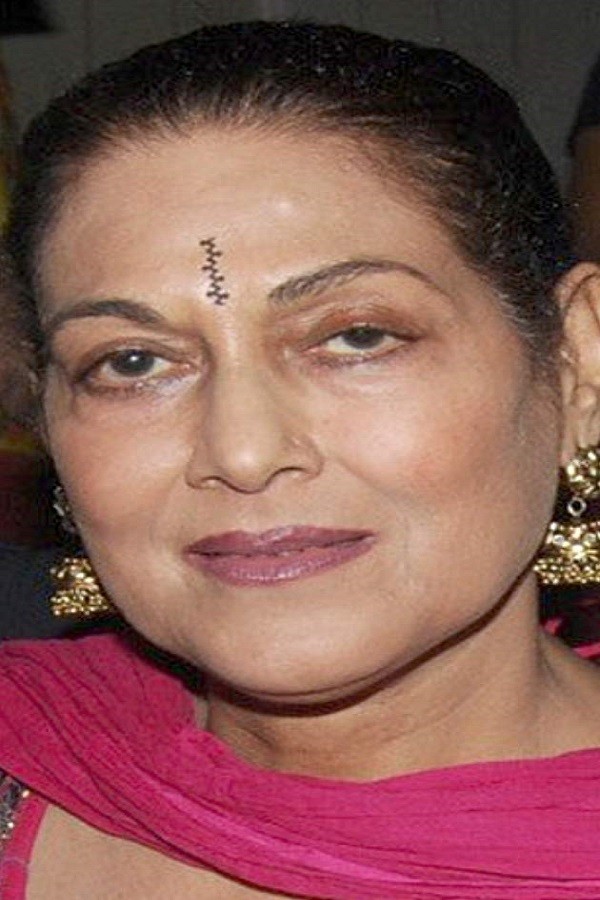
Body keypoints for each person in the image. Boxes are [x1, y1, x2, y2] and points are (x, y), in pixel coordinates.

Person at [0, 19, 600, 898]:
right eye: (132, 363)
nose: (243, 452)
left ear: (576, 363)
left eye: (357, 336)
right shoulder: (26, 755)